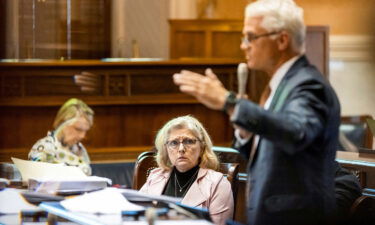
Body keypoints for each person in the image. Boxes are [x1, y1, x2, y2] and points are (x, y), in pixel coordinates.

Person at [173, 0, 341, 224]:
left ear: (282, 40)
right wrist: (246, 134)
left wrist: (228, 102)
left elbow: (296, 132)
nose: (244, 45)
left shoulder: (309, 85)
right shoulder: (281, 85)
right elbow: (275, 145)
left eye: (251, 37)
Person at [139, 115, 233, 225]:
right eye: (174, 143)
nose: (181, 149)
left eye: (189, 141)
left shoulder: (217, 183)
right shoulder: (155, 176)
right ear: (166, 149)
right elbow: (137, 216)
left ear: (202, 147)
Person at [28, 98, 94, 176]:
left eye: (85, 131)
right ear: (62, 122)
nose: (82, 136)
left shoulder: (79, 149)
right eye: (78, 129)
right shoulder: (44, 147)